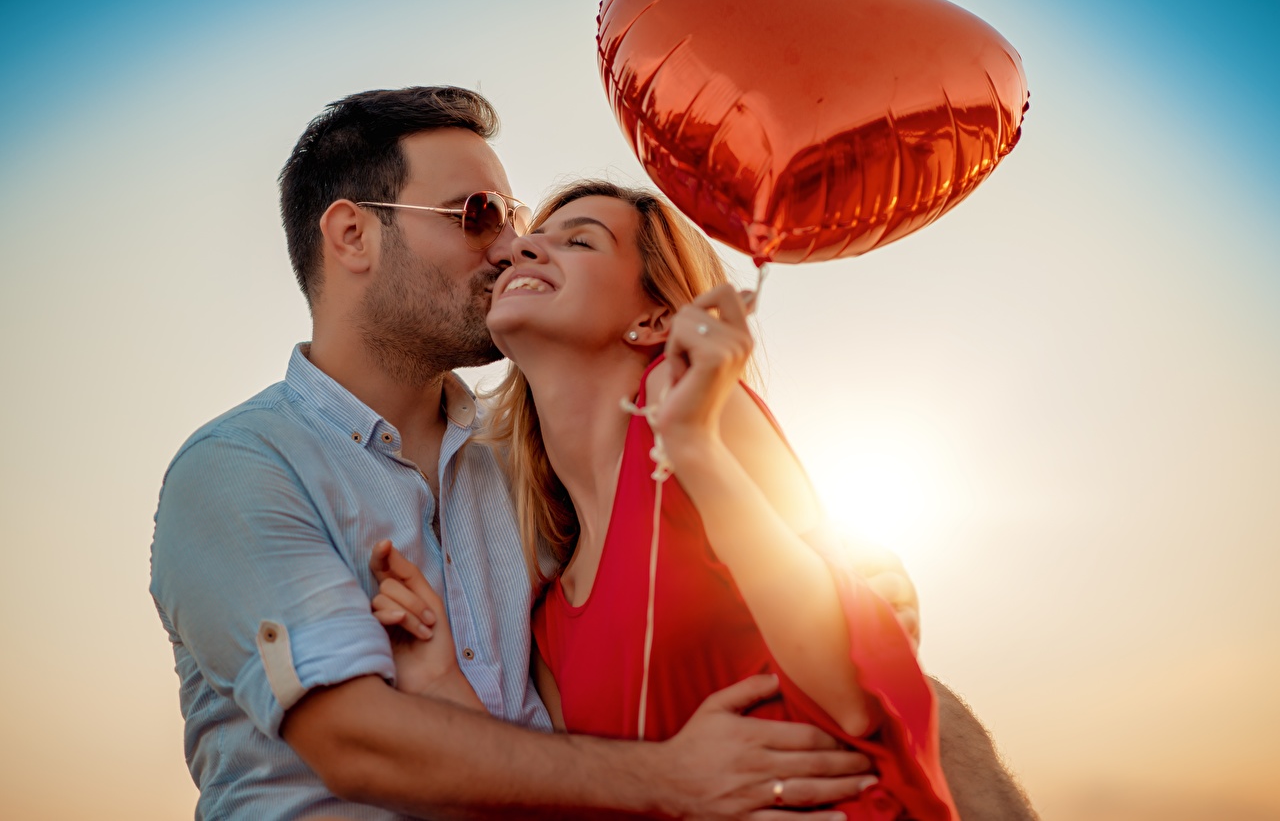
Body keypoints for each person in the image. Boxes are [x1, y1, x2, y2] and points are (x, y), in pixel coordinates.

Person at [150, 85, 1036, 820]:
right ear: (351, 235)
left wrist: (848, 579)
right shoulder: (241, 470)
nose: (508, 247)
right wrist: (674, 783)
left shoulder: (528, 482)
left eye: (520, 221)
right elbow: (353, 741)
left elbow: (738, 621)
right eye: (478, 215)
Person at [367, 180, 956, 820]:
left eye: (579, 240)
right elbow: (566, 799)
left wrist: (693, 443)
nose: (522, 249)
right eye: (531, 238)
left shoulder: (707, 421)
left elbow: (847, 694)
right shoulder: (550, 615)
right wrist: (437, 679)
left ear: (653, 320)